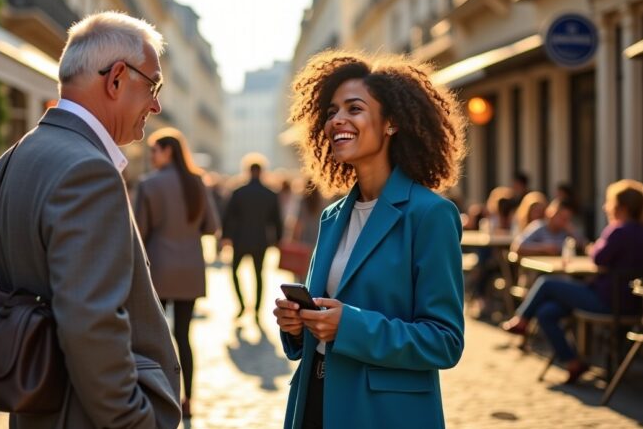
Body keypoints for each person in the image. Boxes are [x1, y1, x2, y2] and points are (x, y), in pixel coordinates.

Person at [0, 11, 180, 429]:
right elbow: (92, 327)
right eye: (153, 85)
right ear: (117, 78)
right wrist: (135, 420)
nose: (157, 104)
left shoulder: (8, 161)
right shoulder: (89, 170)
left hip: (35, 409)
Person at [273, 51, 466, 428]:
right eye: (331, 112)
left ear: (391, 122)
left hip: (383, 415)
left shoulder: (429, 215)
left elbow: (444, 340)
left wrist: (351, 327)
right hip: (315, 402)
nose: (337, 120)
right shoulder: (333, 216)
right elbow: (322, 324)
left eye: (354, 108)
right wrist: (296, 326)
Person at [501, 180, 643, 383]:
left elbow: (598, 258)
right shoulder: (639, 231)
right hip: (634, 303)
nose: (605, 207)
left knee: (547, 283)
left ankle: (522, 320)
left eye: (609, 203)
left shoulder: (619, 231)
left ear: (621, 208)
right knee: (546, 313)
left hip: (608, 301)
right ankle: (574, 363)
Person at [134, 127, 220, 419]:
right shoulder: (197, 182)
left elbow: (139, 233)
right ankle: (188, 399)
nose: (152, 156)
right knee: (184, 336)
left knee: (153, 337)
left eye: (154, 150)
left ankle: (160, 397)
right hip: (191, 269)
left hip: (158, 269)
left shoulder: (149, 184)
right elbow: (211, 227)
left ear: (167, 150)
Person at [222, 162, 283, 322]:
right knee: (259, 275)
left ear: (248, 172)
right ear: (261, 172)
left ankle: (242, 305)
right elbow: (276, 220)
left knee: (234, 272)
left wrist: (225, 237)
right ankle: (256, 309)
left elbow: (227, 217)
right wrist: (278, 240)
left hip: (240, 239)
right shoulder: (270, 194)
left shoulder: (238, 192)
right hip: (260, 240)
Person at [511, 198, 583, 256]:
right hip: (539, 270)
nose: (564, 221)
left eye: (567, 219)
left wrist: (573, 232)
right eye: (561, 217)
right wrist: (544, 248)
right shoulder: (538, 226)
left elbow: (584, 246)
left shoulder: (566, 231)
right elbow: (516, 247)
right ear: (551, 214)